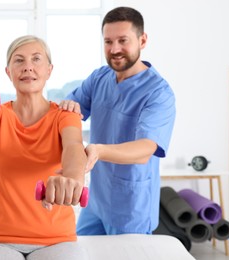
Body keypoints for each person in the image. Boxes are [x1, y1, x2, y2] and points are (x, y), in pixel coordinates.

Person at [0, 35, 88, 260]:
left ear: (49, 70)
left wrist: (72, 179)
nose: (28, 67)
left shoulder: (65, 115)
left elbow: (74, 147)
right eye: (19, 61)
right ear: (8, 72)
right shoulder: (0, 113)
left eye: (36, 59)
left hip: (56, 239)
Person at [60, 6, 176, 235]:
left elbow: (145, 149)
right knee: (80, 251)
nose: (114, 49)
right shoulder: (99, 78)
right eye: (108, 41)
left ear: (142, 40)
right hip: (96, 201)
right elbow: (69, 113)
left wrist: (99, 151)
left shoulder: (158, 93)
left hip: (131, 207)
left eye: (123, 40)